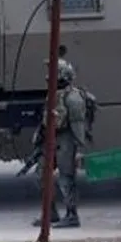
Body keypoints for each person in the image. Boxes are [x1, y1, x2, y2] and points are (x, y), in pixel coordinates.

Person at [31, 58, 89, 229]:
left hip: (67, 140)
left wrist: (78, 149)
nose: (48, 76)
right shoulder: (54, 95)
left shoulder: (73, 98)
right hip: (51, 140)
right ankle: (50, 213)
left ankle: (72, 214)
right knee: (42, 174)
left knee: (66, 178)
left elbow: (78, 126)